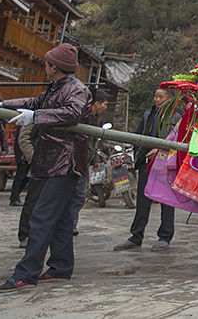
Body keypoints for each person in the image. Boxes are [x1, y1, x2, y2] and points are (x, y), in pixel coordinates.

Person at [0, 43, 91, 293]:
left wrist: (35, 117)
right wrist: (4, 105)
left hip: (64, 162)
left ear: (53, 67)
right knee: (63, 219)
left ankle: (26, 273)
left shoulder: (77, 90)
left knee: (42, 217)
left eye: (46, 63)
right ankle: (60, 267)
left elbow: (72, 114)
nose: (45, 67)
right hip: (51, 160)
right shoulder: (56, 88)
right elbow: (35, 101)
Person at [113, 88, 180, 253]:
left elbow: (178, 140)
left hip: (165, 164)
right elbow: (139, 136)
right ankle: (136, 236)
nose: (156, 99)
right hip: (146, 163)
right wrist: (137, 157)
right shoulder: (148, 114)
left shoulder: (177, 117)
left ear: (170, 98)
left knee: (166, 201)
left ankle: (165, 236)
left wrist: (160, 150)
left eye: (161, 96)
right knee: (142, 201)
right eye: (155, 96)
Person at [71, 92, 108, 236]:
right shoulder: (83, 117)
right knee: (76, 195)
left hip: (85, 161)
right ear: (96, 103)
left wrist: (95, 159)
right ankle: (69, 223)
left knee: (79, 195)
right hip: (76, 161)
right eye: (104, 104)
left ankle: (71, 223)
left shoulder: (95, 119)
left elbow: (93, 141)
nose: (105, 107)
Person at [8, 121, 35, 207]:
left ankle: (15, 196)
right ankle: (14, 197)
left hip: (24, 155)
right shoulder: (25, 126)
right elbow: (23, 141)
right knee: (20, 177)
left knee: (25, 177)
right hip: (24, 156)